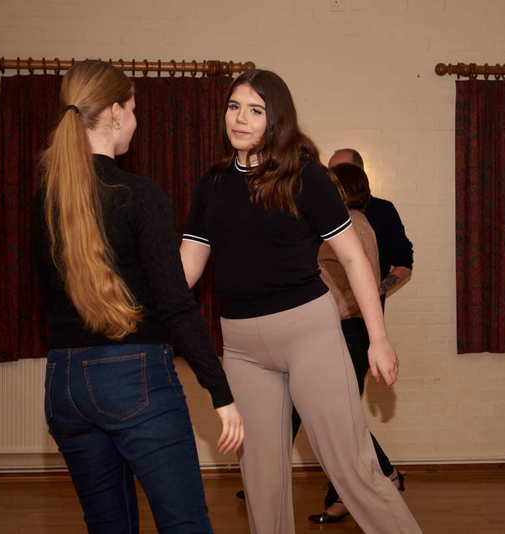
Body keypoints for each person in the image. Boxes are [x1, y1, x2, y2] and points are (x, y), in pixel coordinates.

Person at [180, 69, 421, 534]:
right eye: (234, 107)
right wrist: (140, 309)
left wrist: (379, 339)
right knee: (260, 479)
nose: (240, 118)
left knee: (351, 467)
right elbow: (187, 267)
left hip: (309, 335)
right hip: (242, 347)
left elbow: (353, 259)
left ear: (277, 120)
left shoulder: (306, 177)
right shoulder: (212, 185)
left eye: (255, 110)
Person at [32, 60, 243, 534]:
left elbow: (48, 300)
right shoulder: (139, 194)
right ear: (114, 112)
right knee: (185, 524)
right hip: (134, 377)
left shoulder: (45, 198)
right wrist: (221, 392)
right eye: (133, 109)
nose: (135, 119)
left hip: (64, 384)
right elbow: (175, 304)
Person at [303, 163, 408, 523]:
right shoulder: (342, 222)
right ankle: (354, 490)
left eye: (331, 184)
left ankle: (383, 475)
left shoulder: (352, 225)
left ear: (345, 190)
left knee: (338, 418)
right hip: (338, 330)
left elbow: (361, 281)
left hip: (348, 331)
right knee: (335, 418)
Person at [328, 149, 414, 304]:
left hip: (364, 315)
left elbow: (404, 264)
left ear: (358, 173)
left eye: (341, 169)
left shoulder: (382, 211)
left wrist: (374, 292)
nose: (333, 176)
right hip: (326, 312)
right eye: (331, 171)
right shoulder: (320, 211)